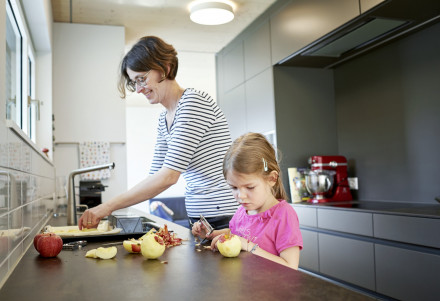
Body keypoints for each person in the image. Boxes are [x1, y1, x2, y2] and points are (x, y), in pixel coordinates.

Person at [78, 36, 238, 230]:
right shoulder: (165, 119)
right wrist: (110, 207)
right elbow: (155, 176)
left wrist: (107, 207)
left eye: (141, 79)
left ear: (165, 69)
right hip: (199, 218)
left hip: (222, 214)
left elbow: (168, 176)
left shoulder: (193, 103)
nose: (138, 89)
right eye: (134, 82)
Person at [192, 132, 303, 269]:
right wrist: (211, 234)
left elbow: (291, 266)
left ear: (272, 179)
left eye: (249, 187)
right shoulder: (242, 211)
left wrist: (248, 246)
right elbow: (236, 234)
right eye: (234, 187)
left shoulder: (284, 215)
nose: (240, 196)